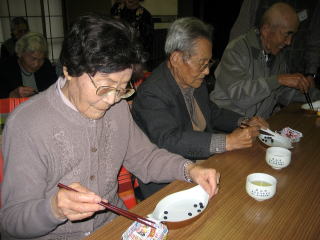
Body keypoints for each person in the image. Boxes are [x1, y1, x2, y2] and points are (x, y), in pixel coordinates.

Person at [0, 15, 219, 239]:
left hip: (113, 228)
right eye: (105, 88)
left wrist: (188, 169)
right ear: (69, 70)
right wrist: (54, 209)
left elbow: (146, 158)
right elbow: (11, 220)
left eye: (123, 88)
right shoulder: (27, 124)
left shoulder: (117, 108)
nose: (112, 99)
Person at [132, 17, 268, 198]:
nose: (207, 71)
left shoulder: (192, 78)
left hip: (204, 163)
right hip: (170, 179)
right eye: (202, 63)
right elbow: (169, 139)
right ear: (176, 58)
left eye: (208, 63)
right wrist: (227, 142)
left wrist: (243, 121)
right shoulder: (152, 93)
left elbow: (211, 111)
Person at [210, 3, 320, 119]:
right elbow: (240, 98)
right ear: (266, 30)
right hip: (226, 128)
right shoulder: (237, 49)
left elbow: (283, 93)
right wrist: (278, 80)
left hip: (256, 128)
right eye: (287, 34)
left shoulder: (278, 58)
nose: (289, 42)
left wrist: (314, 95)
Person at [229, 0, 320, 86]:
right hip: (257, 68)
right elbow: (240, 31)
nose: (289, 42)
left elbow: (315, 39)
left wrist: (311, 73)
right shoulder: (238, 50)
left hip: (295, 71)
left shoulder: (314, 3)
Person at [0, 32, 57, 98]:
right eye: (33, 58)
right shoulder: (5, 69)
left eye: (41, 59)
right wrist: (11, 95)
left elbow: (54, 88)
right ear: (20, 53)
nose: (37, 64)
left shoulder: (46, 65)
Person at [111, 0, 154, 68]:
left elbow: (148, 42)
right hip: (116, 51)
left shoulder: (145, 15)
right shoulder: (117, 8)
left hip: (134, 55)